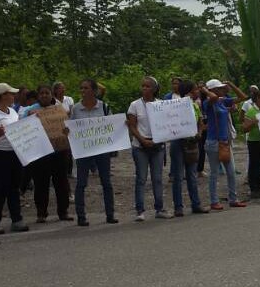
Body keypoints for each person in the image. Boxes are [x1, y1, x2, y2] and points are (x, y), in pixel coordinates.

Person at [21, 85, 73, 223]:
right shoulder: (29, 111)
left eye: (47, 93)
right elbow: (22, 129)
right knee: (41, 183)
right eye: (41, 93)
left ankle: (63, 212)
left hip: (60, 152)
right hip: (40, 153)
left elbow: (69, 127)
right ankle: (41, 213)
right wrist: (29, 118)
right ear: (38, 96)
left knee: (61, 182)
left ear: (51, 95)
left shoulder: (60, 108)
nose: (44, 95)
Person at [70, 79, 118, 226]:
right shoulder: (75, 109)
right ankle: (81, 216)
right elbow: (71, 126)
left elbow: (112, 126)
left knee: (106, 182)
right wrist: (67, 130)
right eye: (81, 88)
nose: (83, 91)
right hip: (84, 151)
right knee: (81, 183)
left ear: (94, 90)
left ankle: (110, 215)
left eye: (86, 88)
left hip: (101, 151)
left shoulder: (104, 107)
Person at [127, 76, 173, 221]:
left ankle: (159, 208)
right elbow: (132, 126)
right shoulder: (135, 105)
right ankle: (140, 210)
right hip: (140, 146)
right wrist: (142, 140)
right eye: (143, 86)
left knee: (157, 178)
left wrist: (160, 139)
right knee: (141, 178)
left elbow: (167, 123)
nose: (144, 89)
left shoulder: (160, 104)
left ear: (154, 89)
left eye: (148, 86)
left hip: (157, 146)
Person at [201, 79, 248, 211]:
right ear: (213, 90)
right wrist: (205, 90)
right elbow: (213, 97)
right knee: (214, 173)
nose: (223, 90)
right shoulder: (208, 103)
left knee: (231, 172)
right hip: (213, 142)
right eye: (220, 88)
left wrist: (232, 85)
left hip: (224, 142)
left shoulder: (222, 101)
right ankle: (214, 201)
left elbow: (243, 97)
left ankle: (233, 199)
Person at [167, 80, 209, 217]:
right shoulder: (174, 106)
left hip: (191, 143)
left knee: (191, 175)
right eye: (196, 89)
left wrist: (199, 134)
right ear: (189, 92)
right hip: (178, 143)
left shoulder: (196, 106)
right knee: (178, 176)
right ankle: (178, 207)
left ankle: (196, 204)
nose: (198, 91)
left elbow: (200, 123)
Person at [0, 83, 29, 234]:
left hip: (15, 153)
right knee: (0, 188)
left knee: (14, 187)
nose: (13, 96)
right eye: (11, 94)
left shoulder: (13, 113)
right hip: (0, 154)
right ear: (2, 96)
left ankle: (16, 219)